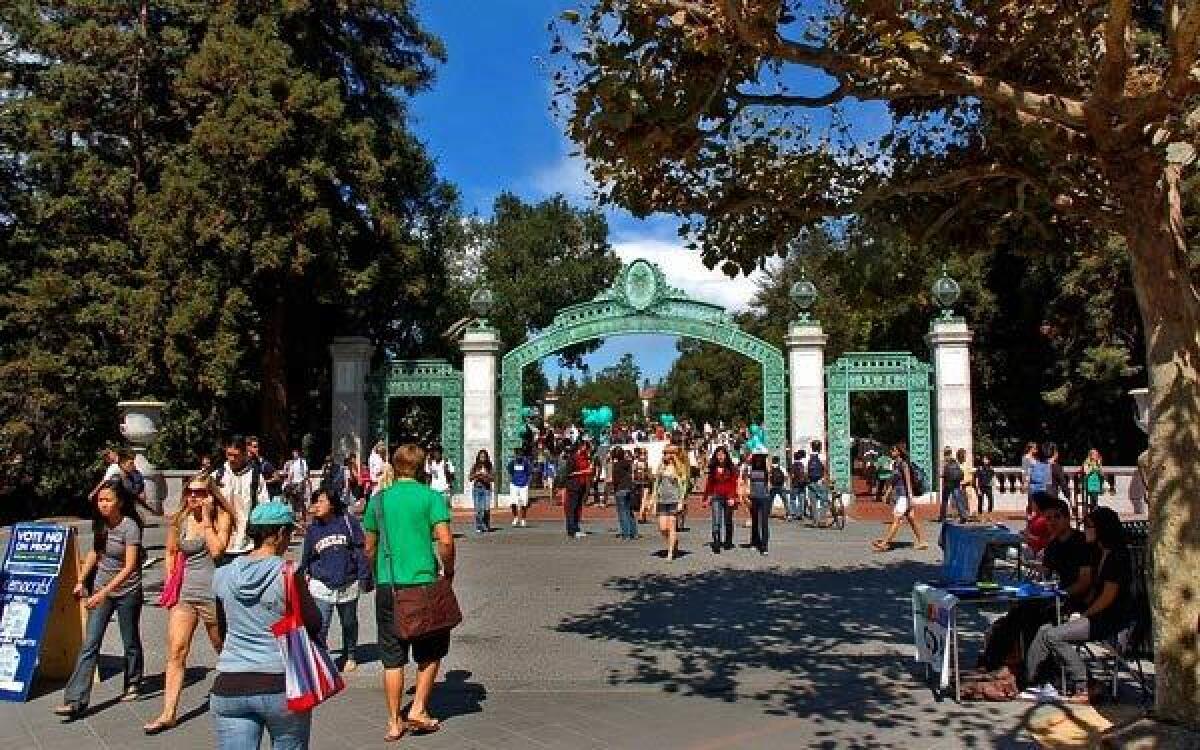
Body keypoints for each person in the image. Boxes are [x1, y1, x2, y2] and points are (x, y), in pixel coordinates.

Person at [363, 444, 456, 742]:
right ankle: (418, 708)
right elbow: (446, 540)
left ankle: (393, 721)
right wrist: (449, 569)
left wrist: (376, 573)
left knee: (392, 657)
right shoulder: (431, 497)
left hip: (389, 586)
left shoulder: (378, 501)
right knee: (431, 649)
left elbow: (369, 546)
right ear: (421, 466)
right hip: (423, 584)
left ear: (394, 465)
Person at [210, 502, 320, 748]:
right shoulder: (289, 573)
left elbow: (221, 630)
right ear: (280, 533)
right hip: (280, 683)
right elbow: (314, 623)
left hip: (229, 683)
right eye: (289, 534)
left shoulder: (222, 574)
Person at [143, 475, 234, 735]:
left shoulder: (220, 518)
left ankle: (237, 691)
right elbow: (171, 551)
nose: (193, 497)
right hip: (185, 595)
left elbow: (217, 550)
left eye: (200, 492)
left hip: (213, 594)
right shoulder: (180, 519)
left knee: (222, 647)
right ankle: (168, 713)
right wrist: (171, 583)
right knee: (176, 650)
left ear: (210, 495)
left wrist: (206, 520)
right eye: (190, 492)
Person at [1023, 507, 1134, 703]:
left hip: (1110, 618)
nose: (1085, 530)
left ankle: (1084, 685)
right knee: (1044, 630)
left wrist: (1085, 616)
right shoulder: (1099, 553)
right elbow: (1093, 589)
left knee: (1053, 635)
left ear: (1102, 528)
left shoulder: (1118, 556)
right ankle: (1036, 682)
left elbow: (1107, 597)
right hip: (1095, 613)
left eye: (1089, 526)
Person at [55, 480, 145, 719]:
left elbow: (129, 567)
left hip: (127, 591)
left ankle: (133, 681)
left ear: (120, 503)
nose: (102, 504)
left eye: (108, 500)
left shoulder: (130, 527)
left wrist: (103, 593)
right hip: (101, 589)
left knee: (130, 641)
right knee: (90, 644)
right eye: (100, 500)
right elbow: (96, 552)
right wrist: (81, 580)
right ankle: (75, 700)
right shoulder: (100, 524)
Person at [980, 497, 1093, 672]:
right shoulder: (1054, 545)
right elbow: (1046, 572)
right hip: (1053, 596)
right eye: (1048, 518)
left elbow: (1085, 581)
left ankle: (1032, 670)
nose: (1052, 522)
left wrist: (1061, 594)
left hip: (1075, 599)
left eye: (1057, 517)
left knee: (1031, 617)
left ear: (1067, 517)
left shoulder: (1081, 542)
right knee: (1016, 613)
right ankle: (994, 661)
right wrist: (1030, 571)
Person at [300, 488, 371, 672]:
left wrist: (364, 576)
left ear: (332, 503)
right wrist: (301, 578)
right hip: (322, 584)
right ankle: (319, 659)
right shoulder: (313, 529)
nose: (317, 506)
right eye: (315, 502)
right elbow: (307, 557)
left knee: (349, 623)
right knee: (320, 624)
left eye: (321, 501)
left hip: (348, 582)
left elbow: (360, 551)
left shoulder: (348, 522)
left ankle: (350, 654)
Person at [215, 435, 271, 562]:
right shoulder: (217, 476)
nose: (232, 459)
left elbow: (264, 509)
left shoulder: (255, 477)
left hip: (248, 544)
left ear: (245, 454)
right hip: (222, 544)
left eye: (236, 455)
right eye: (229, 454)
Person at [872, 443, 929, 552]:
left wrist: (910, 497)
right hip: (899, 495)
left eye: (893, 450)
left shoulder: (904, 464)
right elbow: (893, 482)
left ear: (899, 452)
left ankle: (885, 543)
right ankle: (922, 541)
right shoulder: (895, 465)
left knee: (897, 518)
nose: (891, 452)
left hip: (904, 495)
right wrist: (887, 493)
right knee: (911, 518)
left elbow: (908, 482)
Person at [652, 446, 689, 561]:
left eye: (667, 453)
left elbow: (683, 486)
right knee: (663, 528)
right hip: (662, 500)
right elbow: (656, 483)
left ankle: (670, 552)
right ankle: (673, 542)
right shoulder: (662, 466)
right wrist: (653, 498)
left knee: (672, 526)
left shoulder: (680, 468)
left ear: (673, 454)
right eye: (664, 453)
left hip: (674, 499)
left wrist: (681, 501)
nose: (665, 455)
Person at [705, 446, 738, 553]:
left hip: (728, 496)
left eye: (722, 454)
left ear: (726, 455)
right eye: (718, 455)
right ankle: (716, 542)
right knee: (716, 520)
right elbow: (709, 484)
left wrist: (732, 497)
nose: (720, 457)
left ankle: (728, 541)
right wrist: (706, 498)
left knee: (728, 520)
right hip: (716, 497)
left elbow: (734, 483)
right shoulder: (713, 468)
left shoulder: (731, 468)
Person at [565, 441, 592, 539]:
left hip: (582, 485)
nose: (586, 449)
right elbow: (569, 473)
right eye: (585, 447)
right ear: (580, 447)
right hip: (574, 485)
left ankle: (576, 528)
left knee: (578, 508)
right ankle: (572, 530)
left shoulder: (585, 458)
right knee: (572, 508)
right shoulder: (573, 458)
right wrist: (583, 471)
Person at [610, 446, 638, 539]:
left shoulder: (616, 465)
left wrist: (614, 489)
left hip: (620, 489)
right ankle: (634, 532)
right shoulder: (628, 463)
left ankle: (626, 533)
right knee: (629, 511)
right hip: (629, 488)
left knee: (622, 512)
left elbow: (615, 480)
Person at [746, 452, 771, 556]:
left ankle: (764, 545)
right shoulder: (750, 469)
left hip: (764, 498)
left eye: (761, 459)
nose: (759, 461)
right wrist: (748, 496)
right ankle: (754, 541)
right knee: (755, 521)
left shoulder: (767, 471)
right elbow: (747, 482)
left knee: (764, 522)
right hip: (753, 497)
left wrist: (766, 457)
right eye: (757, 459)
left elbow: (769, 482)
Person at [938, 447, 968, 523]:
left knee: (945, 500)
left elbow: (942, 474)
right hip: (955, 483)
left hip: (947, 483)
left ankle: (942, 516)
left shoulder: (944, 462)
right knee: (958, 500)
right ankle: (963, 515)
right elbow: (960, 472)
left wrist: (943, 478)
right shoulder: (954, 461)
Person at [247, 436, 281, 502]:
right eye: (251, 447)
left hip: (268, 497)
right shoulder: (248, 464)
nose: (253, 449)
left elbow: (277, 477)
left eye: (255, 447)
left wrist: (264, 482)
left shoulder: (264, 464)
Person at [469, 449, 493, 533]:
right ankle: (479, 526)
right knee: (478, 509)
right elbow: (470, 478)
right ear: (478, 457)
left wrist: (486, 476)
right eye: (481, 456)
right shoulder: (475, 466)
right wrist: (477, 474)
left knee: (486, 508)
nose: (482, 458)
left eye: (484, 456)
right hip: (477, 489)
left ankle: (486, 524)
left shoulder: (489, 466)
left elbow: (492, 478)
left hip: (486, 489)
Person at [506, 448, 531, 527]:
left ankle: (523, 519)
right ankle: (515, 517)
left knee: (524, 502)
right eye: (517, 454)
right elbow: (510, 471)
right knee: (513, 502)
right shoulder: (512, 463)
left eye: (520, 454)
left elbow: (529, 472)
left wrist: (527, 482)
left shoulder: (526, 463)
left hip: (524, 485)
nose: (518, 456)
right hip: (514, 484)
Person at [283, 448, 310, 522]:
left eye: (295, 453)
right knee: (294, 501)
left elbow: (306, 473)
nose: (294, 454)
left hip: (301, 483)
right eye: (293, 453)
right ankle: (296, 518)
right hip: (294, 484)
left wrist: (304, 482)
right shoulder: (292, 463)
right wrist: (288, 483)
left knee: (301, 501)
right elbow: (290, 474)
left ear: (298, 453)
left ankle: (304, 517)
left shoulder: (302, 462)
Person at [806, 440, 829, 527]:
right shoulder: (822, 456)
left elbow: (805, 470)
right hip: (820, 481)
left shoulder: (809, 457)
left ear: (811, 447)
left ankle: (815, 521)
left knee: (813, 502)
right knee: (824, 500)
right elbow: (826, 468)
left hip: (811, 481)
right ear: (820, 447)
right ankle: (822, 520)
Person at [787, 449, 807, 521]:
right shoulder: (802, 465)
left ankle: (793, 513)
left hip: (795, 484)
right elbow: (804, 474)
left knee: (793, 499)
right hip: (802, 484)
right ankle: (800, 514)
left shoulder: (792, 466)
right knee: (801, 499)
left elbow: (791, 475)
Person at [633, 446, 652, 523]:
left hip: (641, 483)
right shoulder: (640, 463)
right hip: (642, 483)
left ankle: (642, 516)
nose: (645, 455)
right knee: (643, 500)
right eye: (643, 453)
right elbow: (634, 473)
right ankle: (641, 515)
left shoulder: (637, 462)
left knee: (643, 500)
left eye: (645, 453)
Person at [1082, 449, 1104, 514]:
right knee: (1092, 500)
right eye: (1095, 454)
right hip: (1089, 484)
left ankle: (1094, 513)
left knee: (1095, 500)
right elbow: (1086, 472)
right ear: (1091, 455)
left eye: (1097, 454)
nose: (1096, 456)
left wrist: (1099, 466)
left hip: (1096, 484)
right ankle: (1092, 513)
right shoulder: (1087, 462)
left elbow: (1102, 474)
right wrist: (1092, 468)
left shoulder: (1098, 463)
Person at [768, 456, 788, 525]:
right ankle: (788, 513)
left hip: (773, 487)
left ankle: (768, 512)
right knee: (785, 500)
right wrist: (784, 484)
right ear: (778, 461)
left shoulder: (770, 469)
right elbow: (786, 477)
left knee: (770, 500)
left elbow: (768, 477)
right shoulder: (782, 468)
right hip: (781, 486)